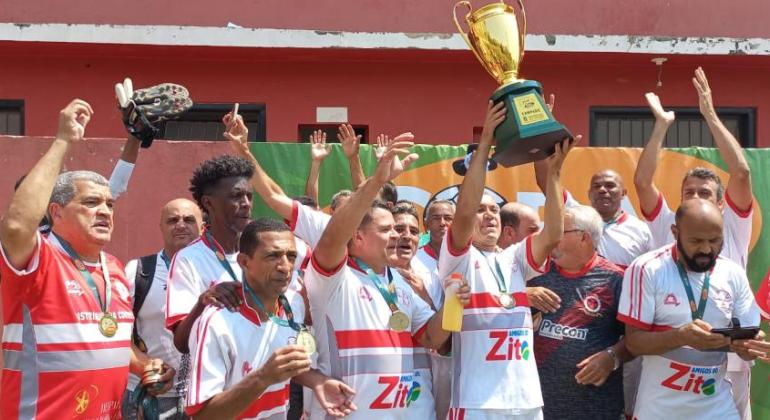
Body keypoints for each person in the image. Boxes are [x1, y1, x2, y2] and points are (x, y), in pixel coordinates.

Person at [0, 99, 158, 418]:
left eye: (109, 206)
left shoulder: (112, 267)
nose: (104, 211)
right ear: (53, 210)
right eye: (91, 203)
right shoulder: (36, 258)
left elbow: (105, 336)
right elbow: (17, 224)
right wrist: (63, 141)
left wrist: (144, 367)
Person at [303, 134, 470, 419]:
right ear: (356, 236)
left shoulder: (399, 281)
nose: (396, 235)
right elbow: (332, 237)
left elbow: (430, 337)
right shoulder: (334, 277)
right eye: (386, 230)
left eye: (397, 228)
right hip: (348, 413)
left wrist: (453, 302)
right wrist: (376, 182)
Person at [437, 100, 577, 420]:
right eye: (480, 210)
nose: (488, 216)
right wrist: (486, 141)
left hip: (525, 400)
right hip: (476, 402)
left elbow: (553, 233)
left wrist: (553, 175)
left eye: (494, 210)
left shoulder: (514, 257)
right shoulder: (456, 257)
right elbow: (465, 208)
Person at [634, 68, 754, 418]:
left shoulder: (735, 224)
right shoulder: (667, 223)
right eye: (689, 193)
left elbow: (742, 174)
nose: (697, 198)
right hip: (670, 358)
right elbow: (642, 181)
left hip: (728, 358)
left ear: (721, 203)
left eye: (705, 193)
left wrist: (710, 115)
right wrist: (660, 126)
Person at [186, 219, 357, 419]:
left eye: (291, 256)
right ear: (244, 262)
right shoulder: (215, 323)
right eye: (272, 256)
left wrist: (317, 381)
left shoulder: (294, 304)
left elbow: (283, 369)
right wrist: (263, 377)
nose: (285, 267)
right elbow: (202, 416)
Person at [618, 199, 768, 419]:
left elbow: (749, 332)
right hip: (659, 411)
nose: (706, 249)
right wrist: (680, 336)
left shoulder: (733, 273)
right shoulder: (647, 268)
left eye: (715, 240)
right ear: (675, 232)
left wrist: (747, 345)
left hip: (717, 409)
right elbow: (633, 343)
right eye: (696, 241)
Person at [529, 205, 632, 420]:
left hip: (596, 408)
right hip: (538, 406)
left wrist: (612, 357)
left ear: (583, 237)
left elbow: (636, 340)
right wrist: (522, 294)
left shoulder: (615, 280)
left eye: (558, 231)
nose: (549, 238)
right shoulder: (535, 274)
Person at [121, 198, 204, 419]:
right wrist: (145, 366)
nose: (180, 225)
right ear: (161, 227)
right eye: (172, 220)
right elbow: (117, 336)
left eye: (189, 219)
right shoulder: (138, 270)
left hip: (202, 395)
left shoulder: (217, 272)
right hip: (148, 395)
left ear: (202, 226)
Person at [165, 154, 256, 353]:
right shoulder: (189, 260)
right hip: (219, 381)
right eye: (236, 196)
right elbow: (182, 343)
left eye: (249, 196)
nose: (246, 203)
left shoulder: (262, 252)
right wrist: (204, 301)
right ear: (209, 203)